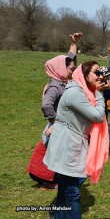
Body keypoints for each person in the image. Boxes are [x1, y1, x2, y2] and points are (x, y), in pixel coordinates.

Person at [44, 61, 109, 218]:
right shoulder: (75, 93)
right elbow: (98, 116)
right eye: (97, 73)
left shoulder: (84, 92)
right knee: (72, 194)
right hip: (68, 148)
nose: (101, 76)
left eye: (101, 73)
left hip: (70, 146)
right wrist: (100, 95)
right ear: (85, 75)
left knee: (65, 191)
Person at [27, 33, 83, 189]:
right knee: (56, 153)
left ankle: (57, 180)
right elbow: (46, 105)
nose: (73, 71)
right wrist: (54, 121)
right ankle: (48, 180)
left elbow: (70, 61)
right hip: (58, 126)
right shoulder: (55, 86)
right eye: (71, 69)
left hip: (64, 125)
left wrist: (73, 43)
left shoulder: (63, 80)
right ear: (60, 69)